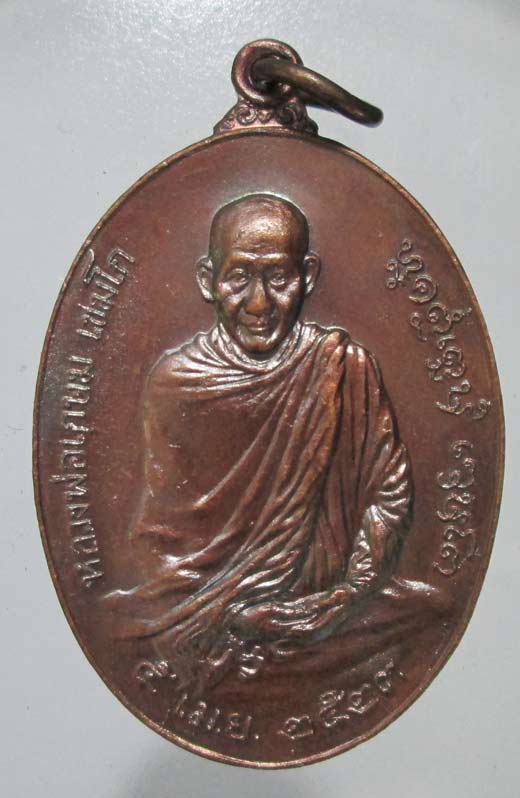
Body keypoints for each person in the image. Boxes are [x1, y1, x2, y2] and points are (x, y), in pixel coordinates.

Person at [107, 193, 440, 693]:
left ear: (308, 276)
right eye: (238, 277)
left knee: (432, 611)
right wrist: (227, 610)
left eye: (278, 278)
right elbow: (161, 539)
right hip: (205, 606)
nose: (259, 303)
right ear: (208, 280)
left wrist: (344, 596)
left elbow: (389, 496)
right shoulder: (177, 385)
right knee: (127, 629)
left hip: (331, 606)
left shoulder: (344, 369)